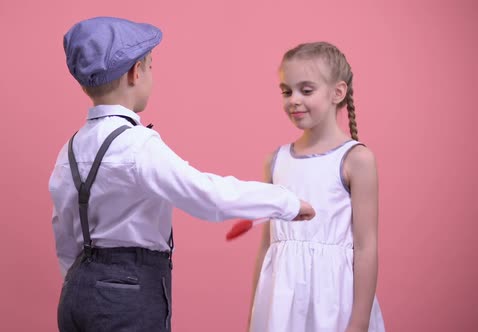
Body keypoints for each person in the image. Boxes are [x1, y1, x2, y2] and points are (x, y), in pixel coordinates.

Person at [49, 17, 315, 332]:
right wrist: (286, 202)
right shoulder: (137, 145)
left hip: (76, 294)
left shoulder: (69, 150)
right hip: (128, 295)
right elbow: (208, 197)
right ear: (136, 72)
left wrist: (89, 280)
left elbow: (64, 234)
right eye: (150, 66)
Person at [248, 41, 385, 332]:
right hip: (282, 302)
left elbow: (366, 246)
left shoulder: (356, 159)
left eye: (306, 90)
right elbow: (266, 245)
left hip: (334, 301)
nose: (293, 100)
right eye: (286, 91)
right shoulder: (275, 160)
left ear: (338, 92)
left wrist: (359, 322)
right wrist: (255, 314)